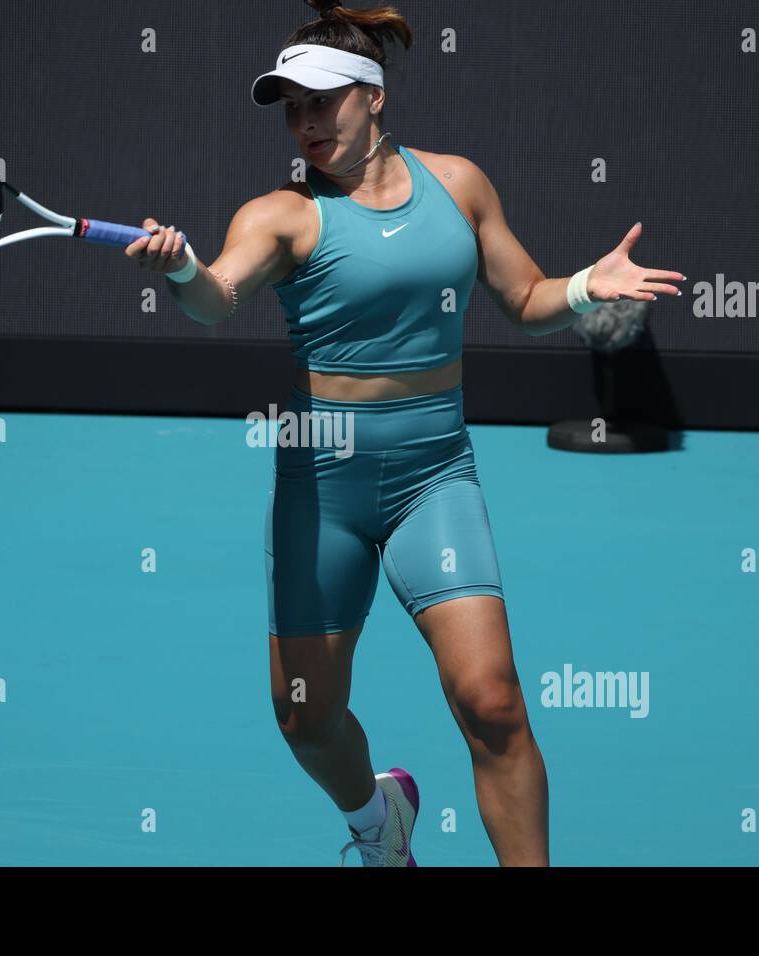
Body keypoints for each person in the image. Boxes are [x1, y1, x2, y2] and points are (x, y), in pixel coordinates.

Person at [125, 0, 684, 866]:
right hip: (324, 490)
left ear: (374, 97)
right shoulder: (280, 216)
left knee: (493, 702)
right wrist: (185, 270)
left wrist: (584, 288)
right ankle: (375, 822)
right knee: (306, 718)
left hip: (435, 478)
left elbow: (528, 299)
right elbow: (216, 298)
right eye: (293, 106)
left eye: (325, 101)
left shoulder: (458, 185)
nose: (308, 122)